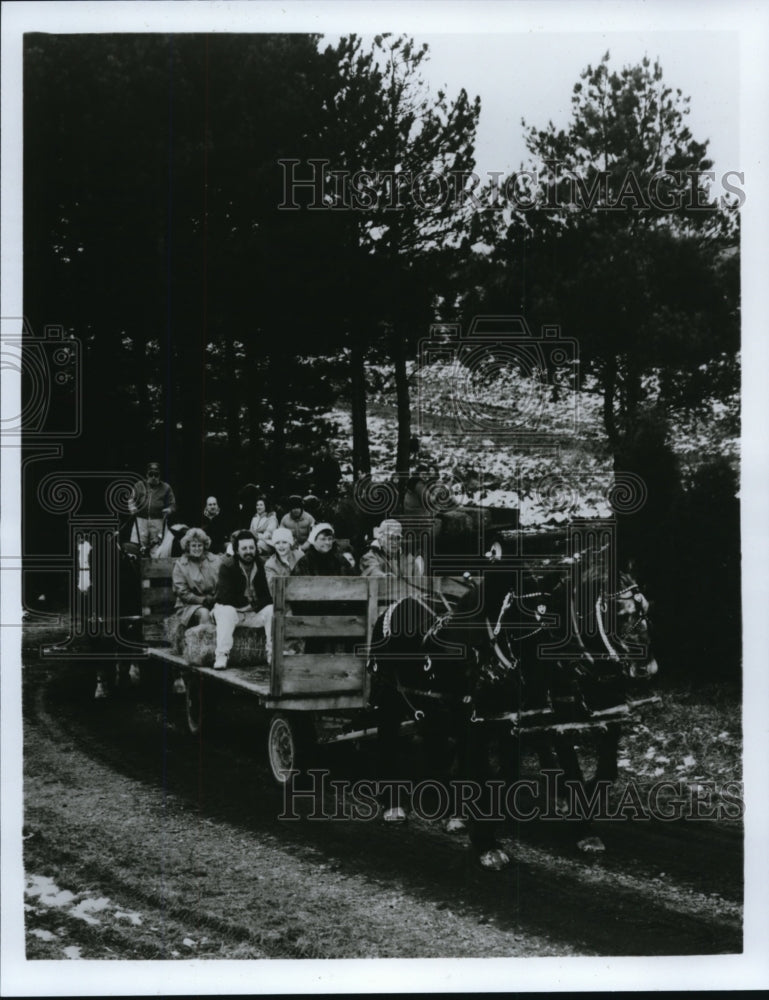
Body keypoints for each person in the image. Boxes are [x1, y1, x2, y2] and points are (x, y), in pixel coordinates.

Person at [212, 529, 273, 670]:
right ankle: (222, 655)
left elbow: (268, 597)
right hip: (233, 612)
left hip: (252, 612)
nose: (248, 552)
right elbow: (225, 597)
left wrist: (253, 605)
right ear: (237, 550)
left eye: (252, 548)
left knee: (271, 610)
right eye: (244, 548)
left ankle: (272, 654)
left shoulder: (262, 565)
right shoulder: (227, 566)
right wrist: (250, 603)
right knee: (226, 611)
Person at [172, 528, 220, 628]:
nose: (197, 548)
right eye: (193, 545)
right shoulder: (181, 565)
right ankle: (206, 642)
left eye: (200, 545)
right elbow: (182, 592)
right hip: (189, 605)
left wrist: (216, 598)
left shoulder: (215, 560)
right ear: (188, 547)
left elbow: (223, 582)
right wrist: (202, 600)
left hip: (214, 601)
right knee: (204, 613)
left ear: (204, 546)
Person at [128, 462, 176, 552]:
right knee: (136, 548)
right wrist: (132, 507)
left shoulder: (166, 487)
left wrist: (169, 510)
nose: (153, 477)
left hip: (158, 522)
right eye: (151, 474)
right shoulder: (139, 485)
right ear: (147, 475)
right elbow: (131, 499)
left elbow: (172, 504)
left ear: (160, 475)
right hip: (140, 521)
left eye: (156, 474)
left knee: (157, 550)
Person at [360, 518, 424, 579]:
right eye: (390, 538)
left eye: (398, 538)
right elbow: (372, 571)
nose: (395, 542)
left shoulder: (409, 559)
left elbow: (418, 582)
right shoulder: (370, 557)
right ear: (381, 539)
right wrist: (384, 577)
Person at [291, 523, 356, 576]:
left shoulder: (340, 560)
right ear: (314, 541)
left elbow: (352, 582)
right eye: (323, 539)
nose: (327, 542)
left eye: (330, 539)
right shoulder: (305, 563)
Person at [263, 526, 301, 596]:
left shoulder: (299, 556)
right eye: (277, 543)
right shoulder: (270, 565)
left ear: (290, 543)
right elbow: (273, 589)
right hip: (282, 598)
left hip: (303, 595)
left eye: (284, 542)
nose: (281, 546)